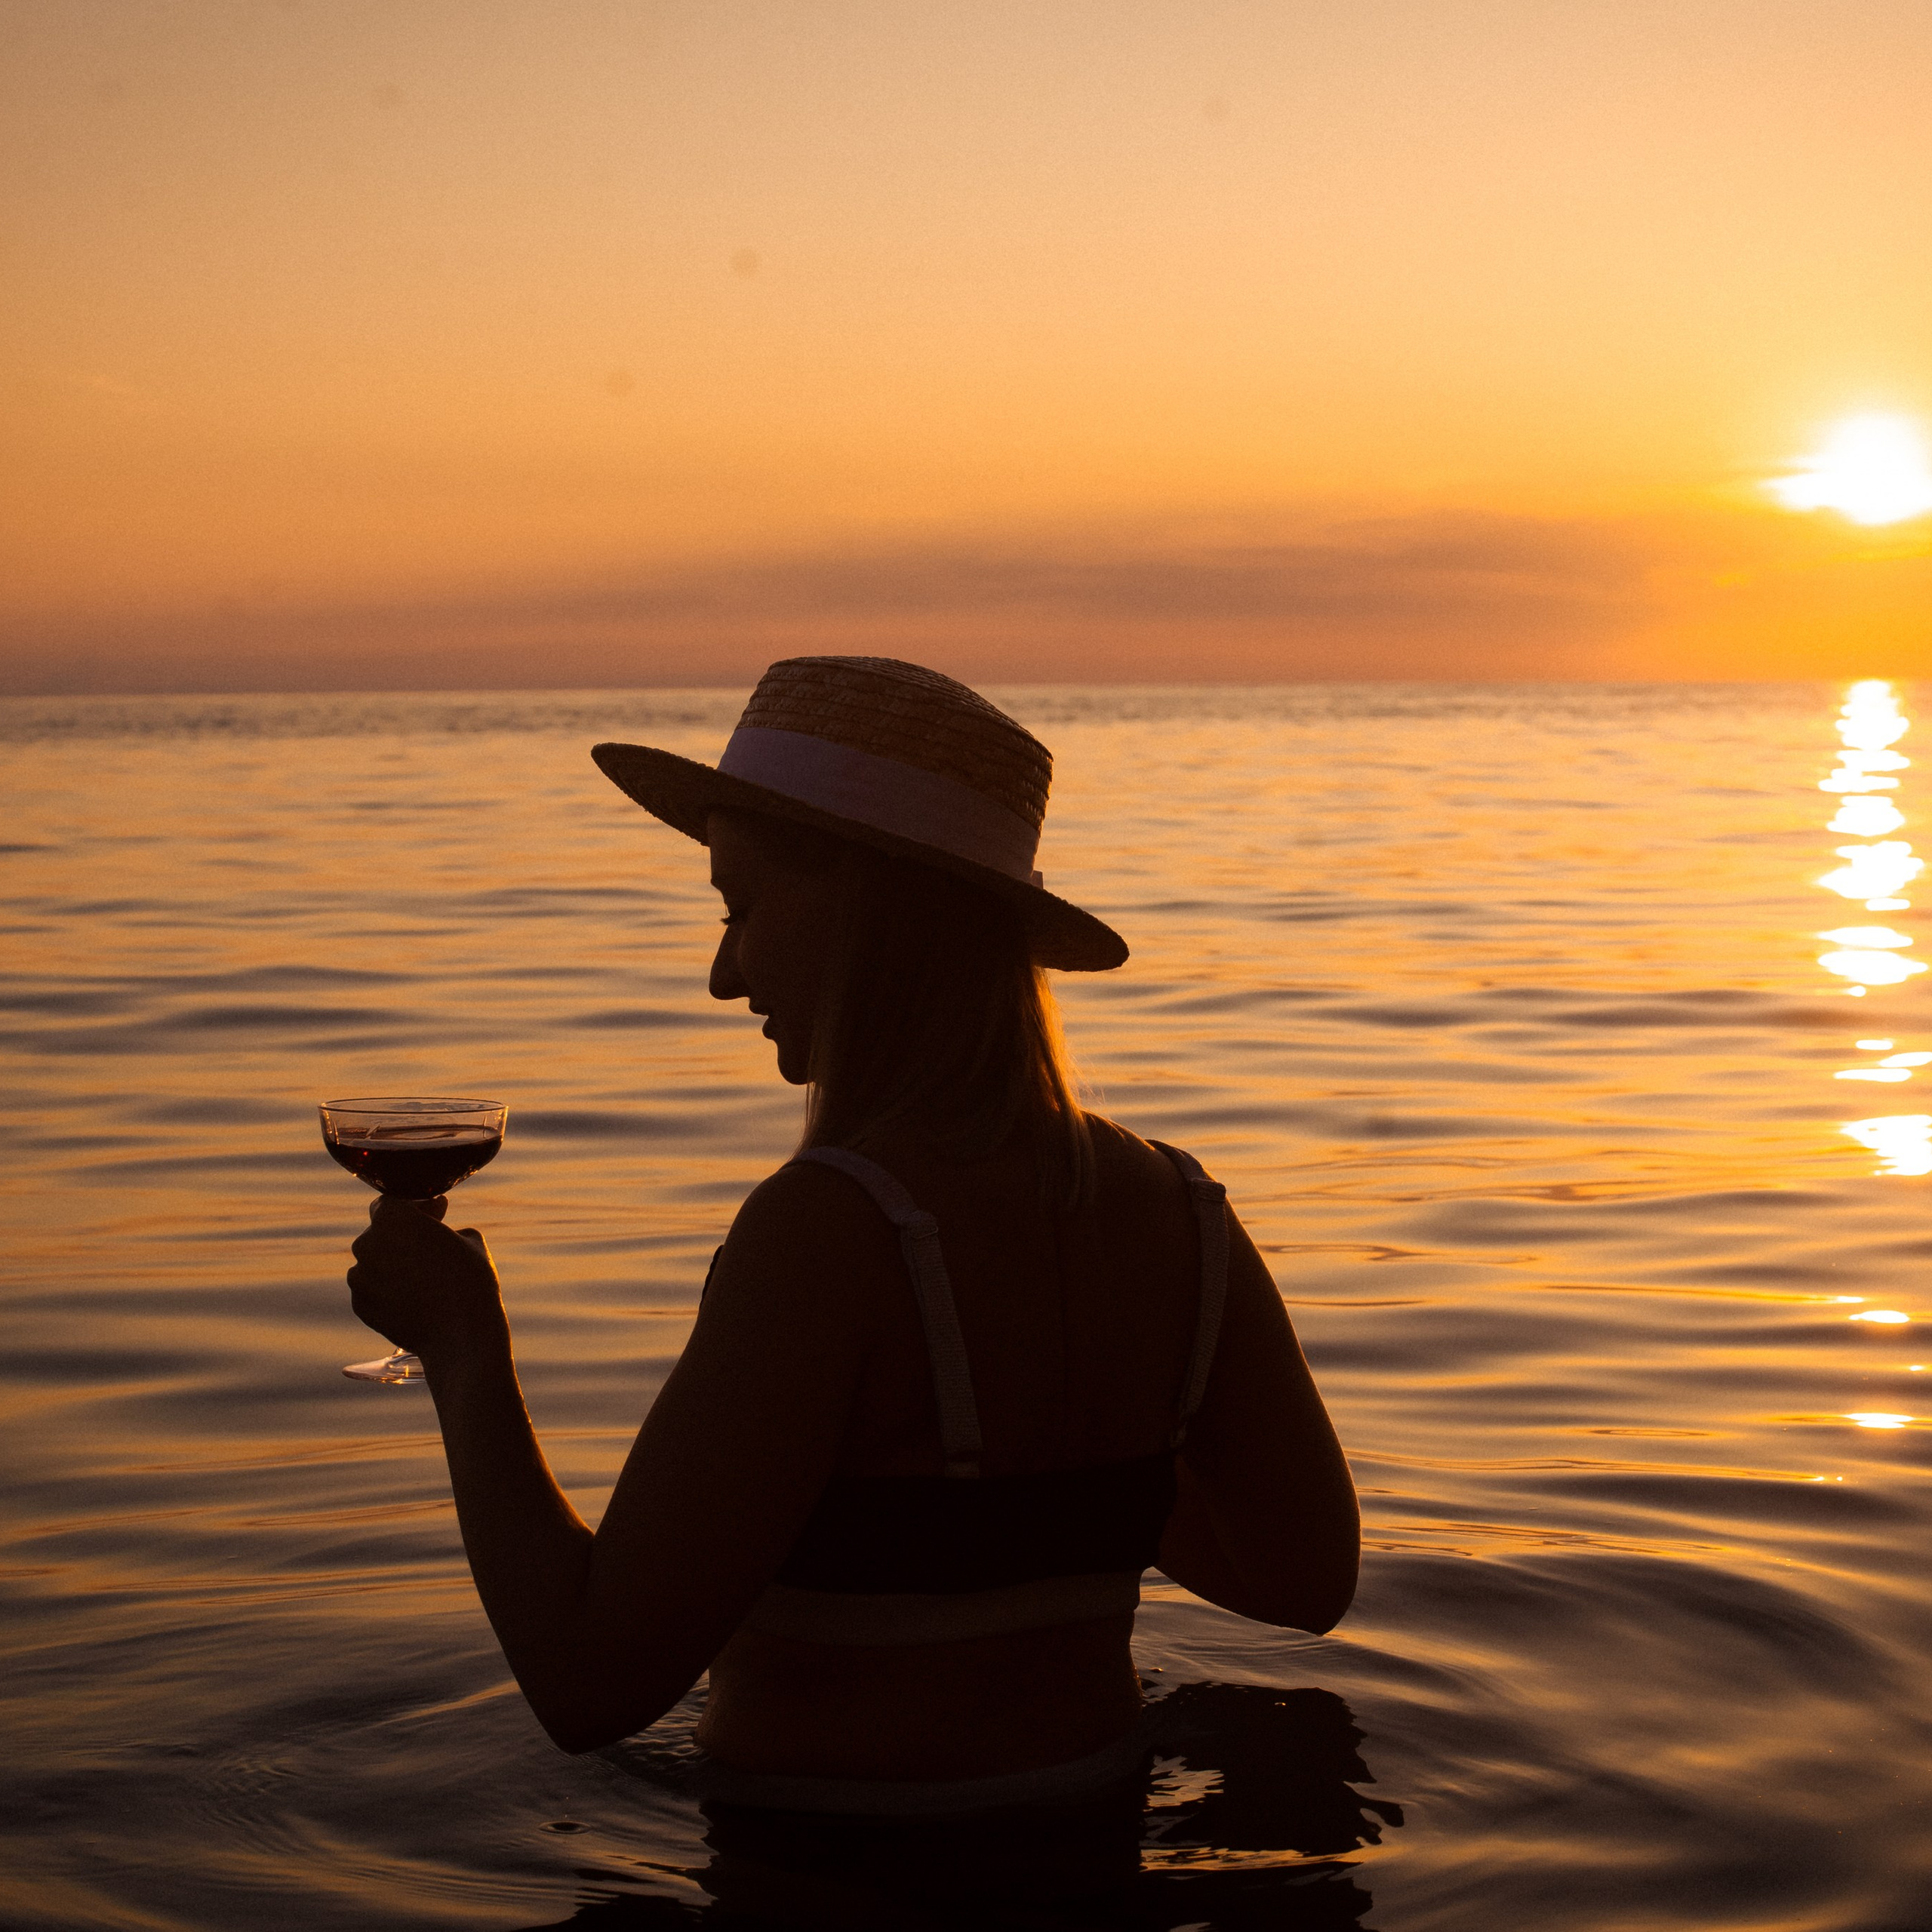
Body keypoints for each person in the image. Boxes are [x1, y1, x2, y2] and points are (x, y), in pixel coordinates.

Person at [345, 655, 1358, 1832]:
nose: (723, 975)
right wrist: (1078, 1427)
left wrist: (467, 1353)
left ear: (875, 909)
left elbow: (588, 1683)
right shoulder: (1180, 1214)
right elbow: (1306, 1583)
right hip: (1089, 1856)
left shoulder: (829, 1234)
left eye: (743, 907)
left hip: (821, 1875)